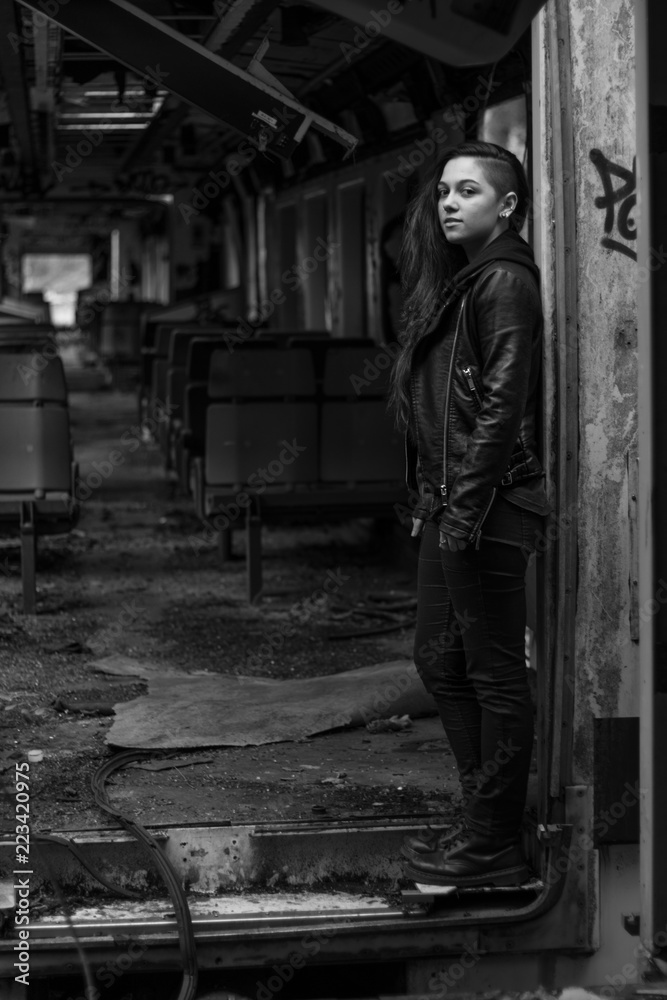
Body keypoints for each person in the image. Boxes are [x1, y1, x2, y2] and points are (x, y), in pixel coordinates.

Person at [389, 140, 552, 887]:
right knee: (437, 658)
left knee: (492, 676)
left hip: (487, 504)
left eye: (468, 193)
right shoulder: (468, 281)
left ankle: (493, 844)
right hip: (451, 501)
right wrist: (437, 503)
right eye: (444, 193)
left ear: (507, 206)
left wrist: (465, 509)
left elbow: (501, 404)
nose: (448, 203)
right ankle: (481, 821)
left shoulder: (504, 283)